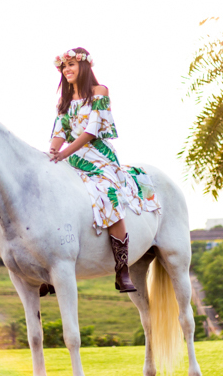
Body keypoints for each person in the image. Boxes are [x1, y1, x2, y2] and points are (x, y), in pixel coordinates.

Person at [48, 47, 160, 294]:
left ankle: (122, 269)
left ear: (84, 66)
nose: (66, 70)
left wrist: (64, 153)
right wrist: (53, 153)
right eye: (63, 67)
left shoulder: (100, 92)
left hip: (99, 157)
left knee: (109, 193)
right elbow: (58, 133)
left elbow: (92, 130)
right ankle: (50, 266)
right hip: (72, 159)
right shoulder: (63, 103)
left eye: (71, 65)